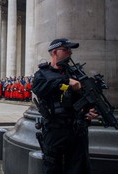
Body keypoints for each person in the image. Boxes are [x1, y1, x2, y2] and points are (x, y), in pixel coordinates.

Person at [32, 38, 98, 174]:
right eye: (66, 49)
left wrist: (89, 111)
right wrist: (66, 81)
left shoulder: (76, 73)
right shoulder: (42, 74)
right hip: (55, 130)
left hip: (76, 130)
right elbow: (38, 88)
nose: (70, 53)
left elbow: (86, 98)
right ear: (54, 52)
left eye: (70, 50)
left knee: (77, 168)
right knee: (52, 168)